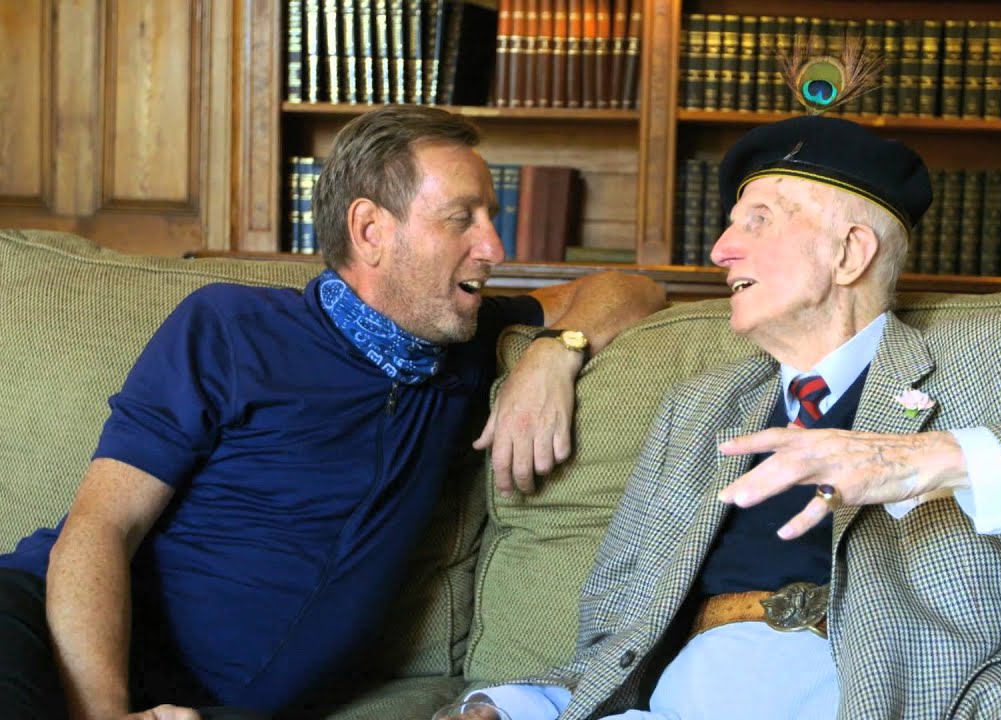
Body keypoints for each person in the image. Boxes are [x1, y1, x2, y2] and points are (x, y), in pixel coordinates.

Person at [462, 113, 1001, 719]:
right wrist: (516, 704)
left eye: (756, 221)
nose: (720, 251)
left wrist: (919, 461)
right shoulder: (699, 407)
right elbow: (614, 639)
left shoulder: (999, 352)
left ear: (849, 253)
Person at [0, 105, 665, 719]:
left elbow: (629, 288)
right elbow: (100, 526)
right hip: (47, 637)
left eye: (490, 216)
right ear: (371, 230)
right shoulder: (231, 327)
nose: (494, 248)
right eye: (461, 218)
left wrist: (555, 352)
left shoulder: (462, 341)